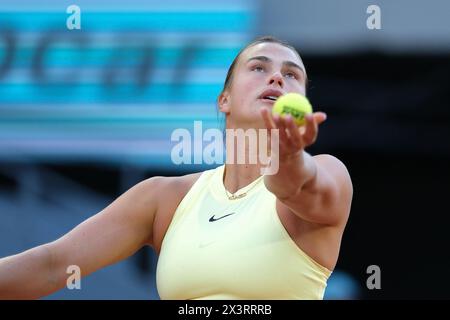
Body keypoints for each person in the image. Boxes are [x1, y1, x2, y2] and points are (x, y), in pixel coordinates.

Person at [0, 36, 353, 300]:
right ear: (224, 99)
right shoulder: (164, 198)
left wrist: (287, 155)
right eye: (259, 67)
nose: (276, 78)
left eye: (291, 75)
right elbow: (51, 265)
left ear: (303, 103)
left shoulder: (328, 172)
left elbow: (293, 186)